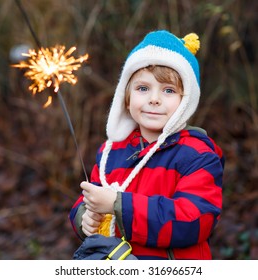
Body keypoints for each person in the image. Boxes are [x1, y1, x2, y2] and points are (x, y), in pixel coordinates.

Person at [69, 30, 224, 260]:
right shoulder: (111, 152)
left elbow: (194, 220)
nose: (154, 99)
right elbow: (89, 196)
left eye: (168, 90)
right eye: (143, 88)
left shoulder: (197, 155)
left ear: (187, 101)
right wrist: (85, 217)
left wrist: (118, 205)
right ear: (127, 96)